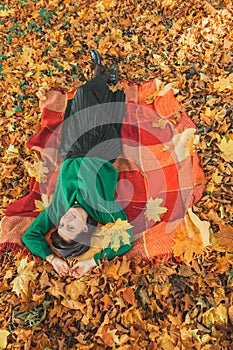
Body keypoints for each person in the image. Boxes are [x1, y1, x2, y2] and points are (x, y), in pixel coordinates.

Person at [22, 49, 133, 278]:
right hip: (101, 149)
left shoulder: (58, 210)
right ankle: (101, 75)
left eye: (61, 225)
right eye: (71, 227)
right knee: (84, 96)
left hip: (72, 149)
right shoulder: (103, 211)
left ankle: (103, 75)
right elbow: (126, 240)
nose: (65, 220)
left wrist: (52, 259)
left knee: (79, 109)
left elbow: (29, 236)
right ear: (85, 229)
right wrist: (92, 262)